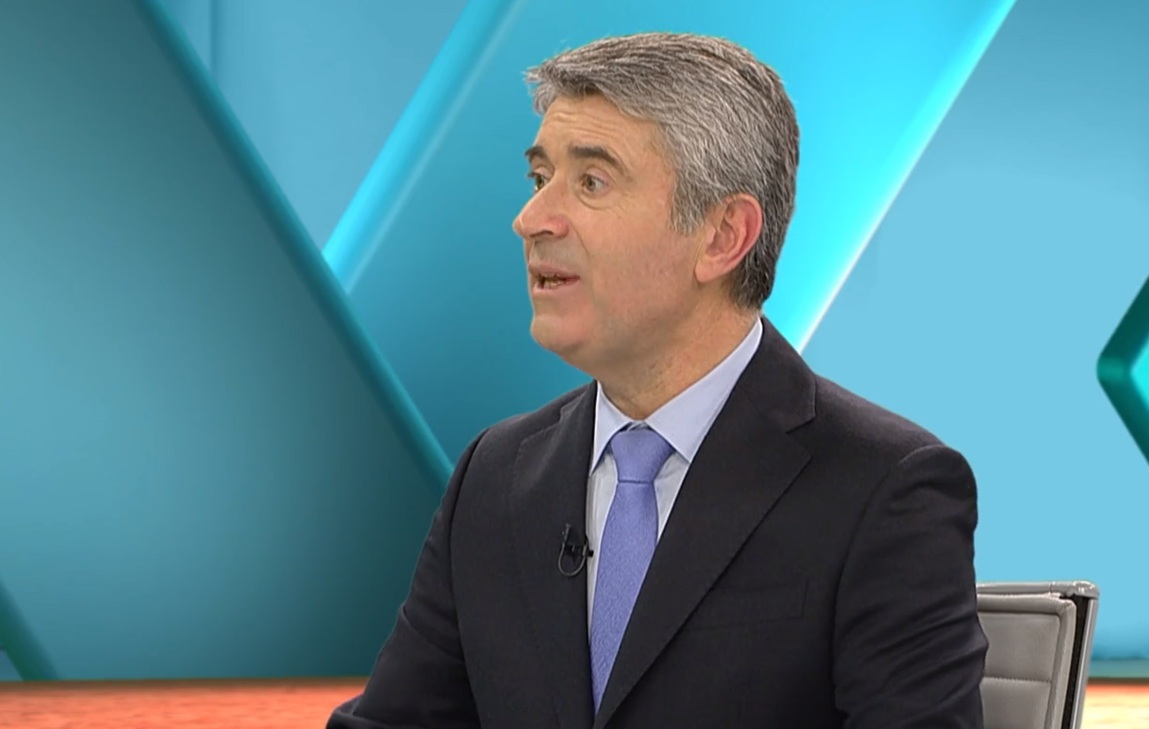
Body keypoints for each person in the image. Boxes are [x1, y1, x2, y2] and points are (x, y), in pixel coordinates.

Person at [327, 31, 987, 729]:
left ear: (722, 236)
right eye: (539, 179)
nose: (531, 220)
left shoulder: (886, 489)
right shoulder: (493, 477)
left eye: (591, 181)